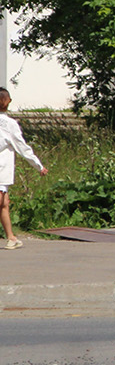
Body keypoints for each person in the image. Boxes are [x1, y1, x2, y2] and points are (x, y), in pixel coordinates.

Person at [0, 87, 48, 250]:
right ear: (7, 102)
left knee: (4, 204)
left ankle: (11, 237)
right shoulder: (9, 124)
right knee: (1, 201)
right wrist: (38, 165)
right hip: (0, 169)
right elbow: (22, 148)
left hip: (2, 170)